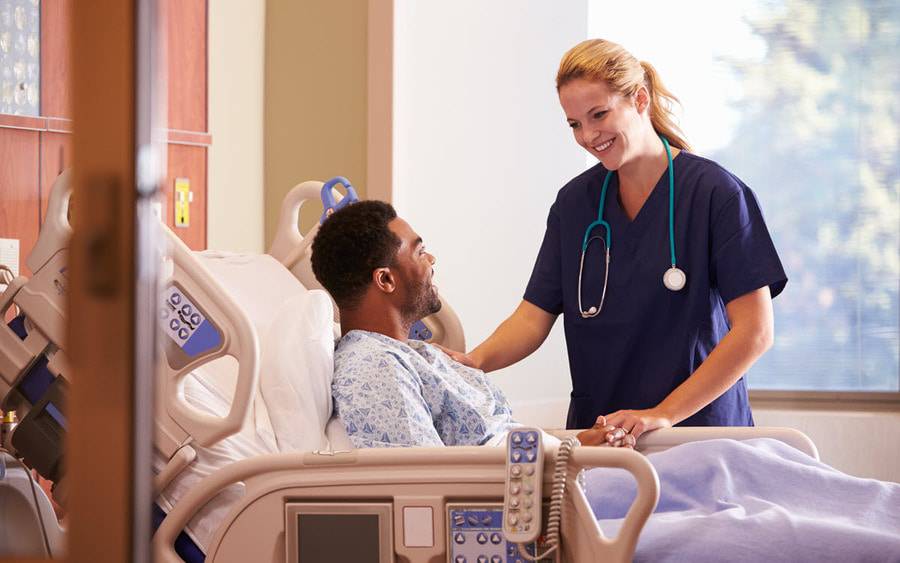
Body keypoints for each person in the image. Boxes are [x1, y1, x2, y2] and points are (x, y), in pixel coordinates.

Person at [443, 39, 787, 438]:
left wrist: (663, 413)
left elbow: (755, 332)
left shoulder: (716, 195)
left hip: (696, 434)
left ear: (640, 100)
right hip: (604, 435)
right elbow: (532, 317)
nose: (588, 135)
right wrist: (475, 360)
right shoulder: (575, 204)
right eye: (574, 123)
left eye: (599, 115)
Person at [310, 200, 629, 449]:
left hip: (548, 483)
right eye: (420, 252)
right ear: (386, 279)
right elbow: (430, 483)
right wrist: (568, 457)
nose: (431, 260)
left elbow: (494, 446)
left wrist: (573, 447)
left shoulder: (414, 355)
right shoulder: (375, 370)